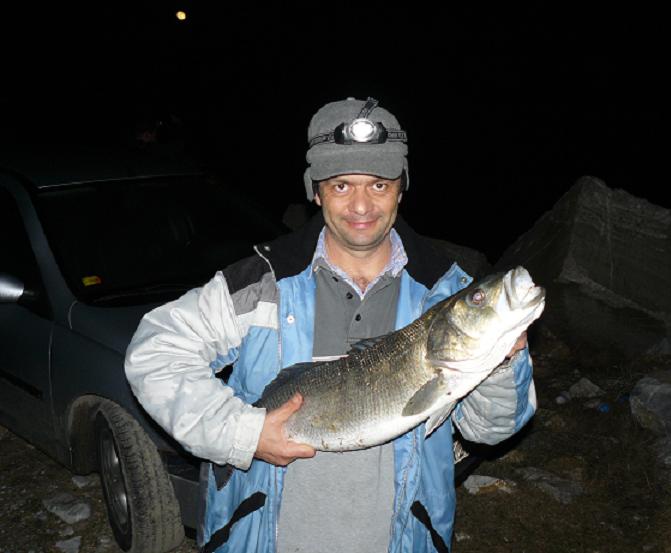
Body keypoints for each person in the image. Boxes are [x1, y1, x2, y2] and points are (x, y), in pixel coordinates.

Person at [124, 97, 536, 553]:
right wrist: (243, 433)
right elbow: (155, 352)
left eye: (379, 184)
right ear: (315, 191)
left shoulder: (444, 293)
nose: (361, 205)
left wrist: (501, 362)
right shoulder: (261, 284)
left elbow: (491, 430)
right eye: (341, 185)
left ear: (401, 188)